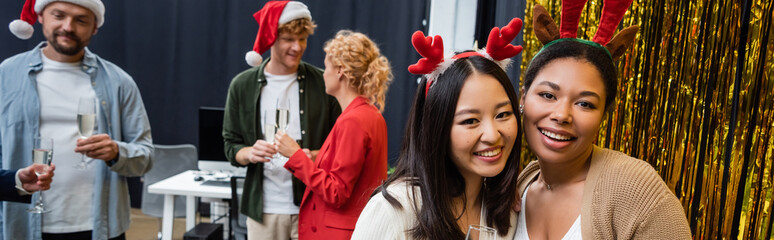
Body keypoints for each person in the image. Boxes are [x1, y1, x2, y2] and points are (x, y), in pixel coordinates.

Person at [513, 1, 691, 239]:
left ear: (603, 115)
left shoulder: (637, 190)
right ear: (522, 98)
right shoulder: (514, 188)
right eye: (548, 95)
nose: (561, 115)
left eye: (585, 104)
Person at [351, 18, 524, 240]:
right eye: (470, 120)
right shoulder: (395, 211)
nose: (492, 135)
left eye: (502, 115)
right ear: (437, 128)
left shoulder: (506, 211)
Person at [1, 0, 154, 239]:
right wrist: (16, 182)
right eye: (59, 15)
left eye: (81, 20)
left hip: (102, 227)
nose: (68, 26)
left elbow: (145, 157)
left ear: (95, 27)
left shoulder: (119, 81)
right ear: (41, 16)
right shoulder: (6, 75)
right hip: (23, 225)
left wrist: (116, 152)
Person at [222, 1, 340, 239]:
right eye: (288, 38)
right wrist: (248, 153)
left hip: (313, 207)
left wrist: (312, 156)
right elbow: (229, 145)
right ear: (270, 38)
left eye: (303, 38)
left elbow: (342, 145)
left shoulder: (323, 82)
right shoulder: (241, 86)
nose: (297, 47)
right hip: (263, 213)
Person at [272, 30, 392, 239]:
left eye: (326, 66)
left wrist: (295, 155)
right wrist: (316, 159)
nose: (323, 73)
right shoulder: (370, 114)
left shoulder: (353, 120)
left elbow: (337, 192)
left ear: (340, 71)